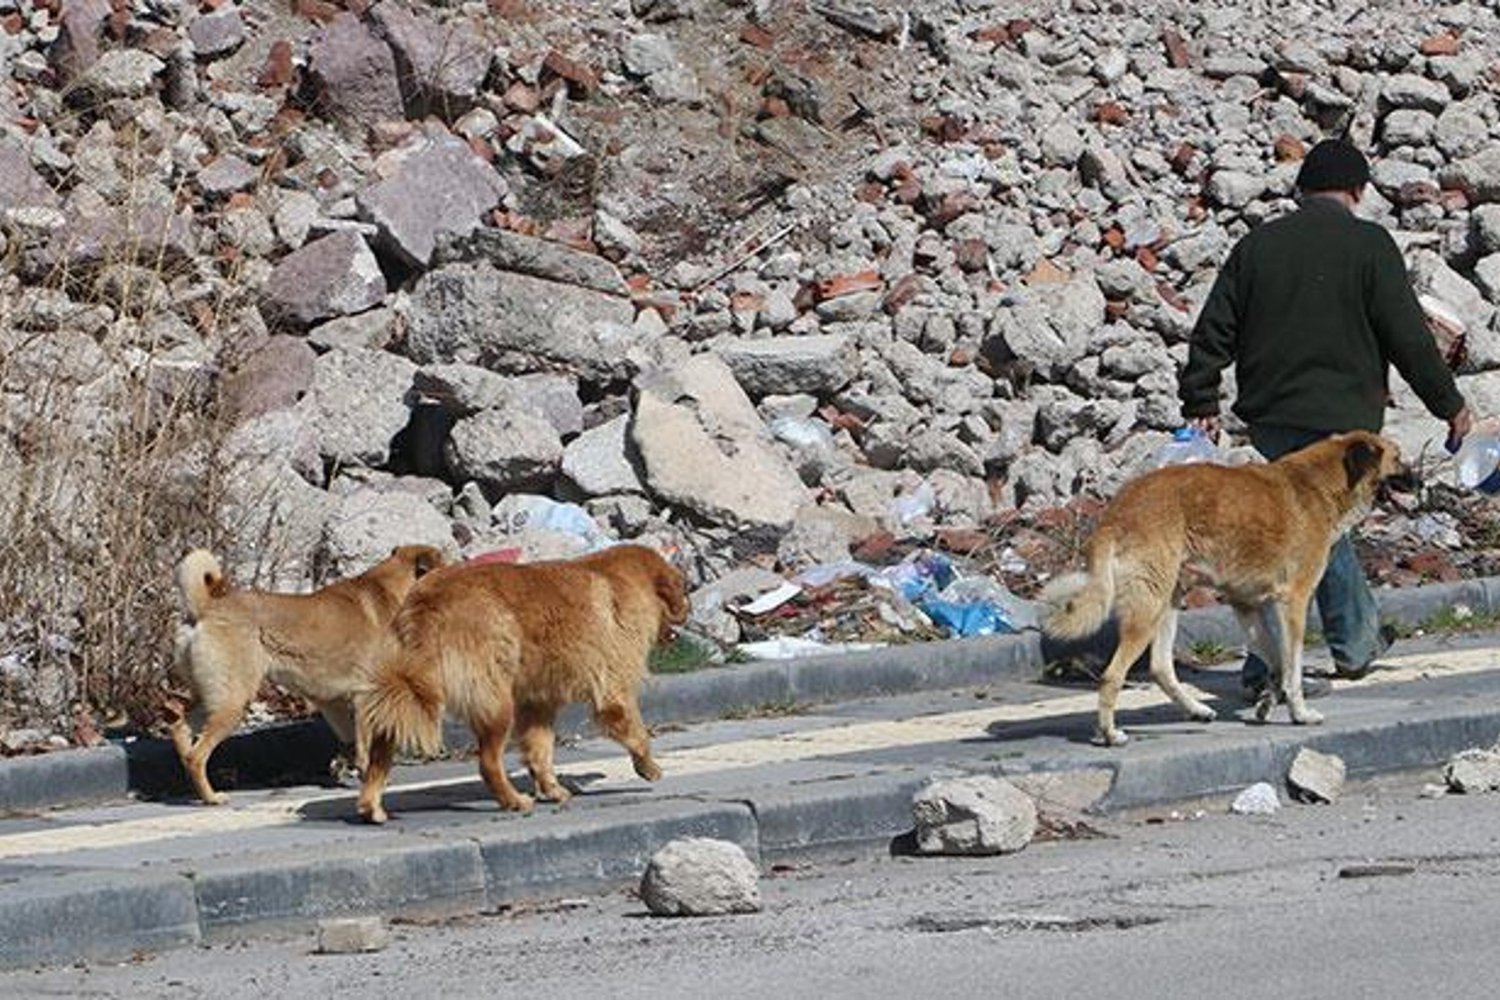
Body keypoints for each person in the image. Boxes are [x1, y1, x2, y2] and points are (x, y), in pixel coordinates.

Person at [1177, 138, 1473, 702]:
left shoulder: (1258, 246)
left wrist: (1201, 400)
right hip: (1343, 432)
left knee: (1298, 534)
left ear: (1303, 189)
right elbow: (1408, 337)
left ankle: (1339, 644)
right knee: (1315, 536)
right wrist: (1450, 406)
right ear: (1357, 191)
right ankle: (1305, 656)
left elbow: (1213, 327)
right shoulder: (1369, 245)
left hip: (1271, 420)